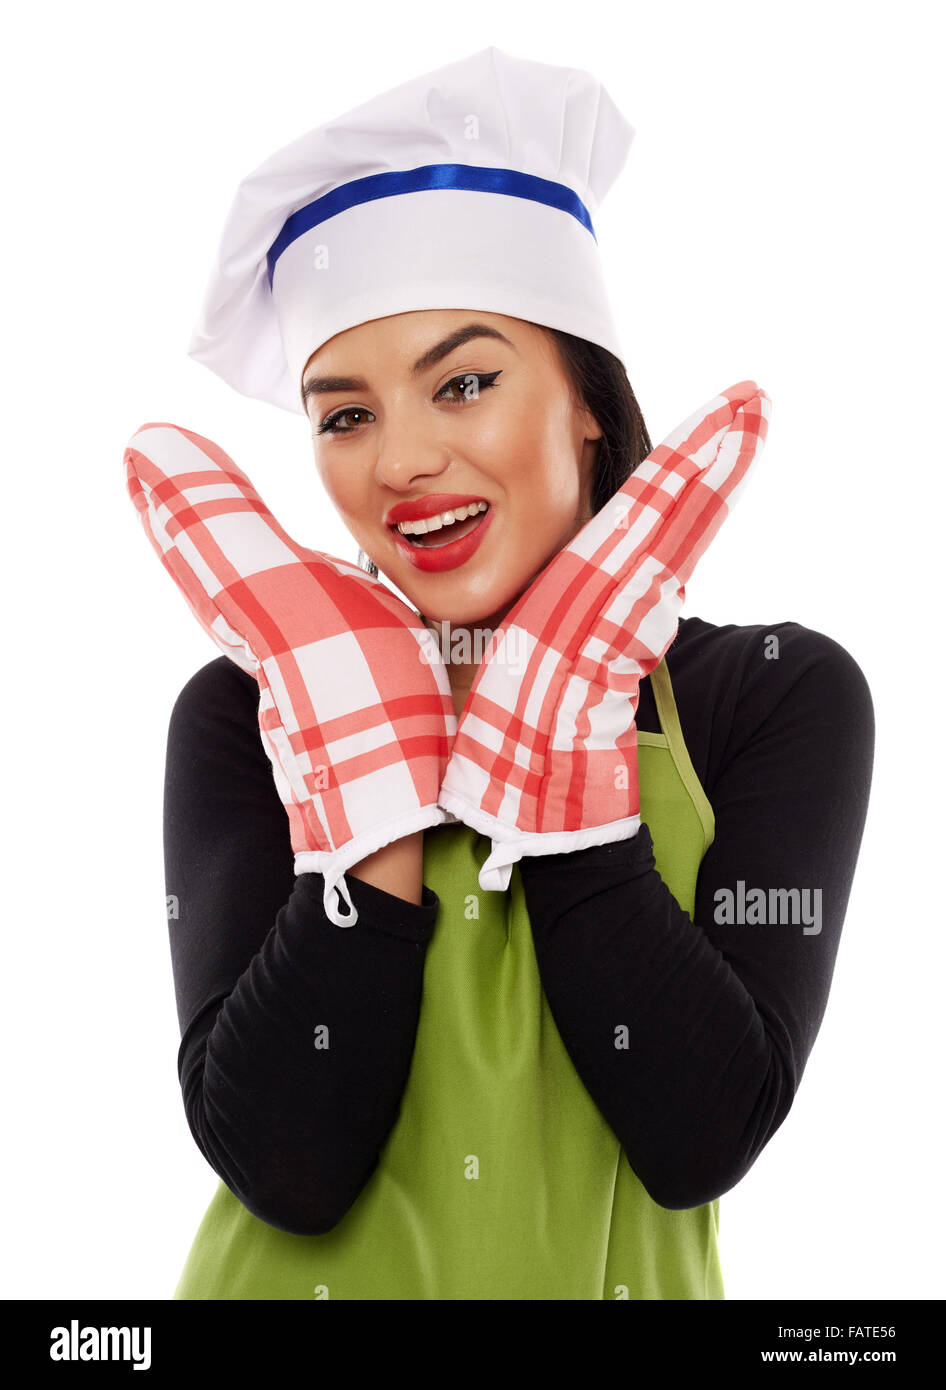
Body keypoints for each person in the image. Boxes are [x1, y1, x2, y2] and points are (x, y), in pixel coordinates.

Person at [126, 48, 874, 1300]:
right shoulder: (248, 707)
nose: (401, 461)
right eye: (344, 413)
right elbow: (285, 1168)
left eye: (463, 382)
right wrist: (358, 768)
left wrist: (566, 712)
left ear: (585, 398)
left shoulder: (773, 692)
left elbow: (699, 1137)